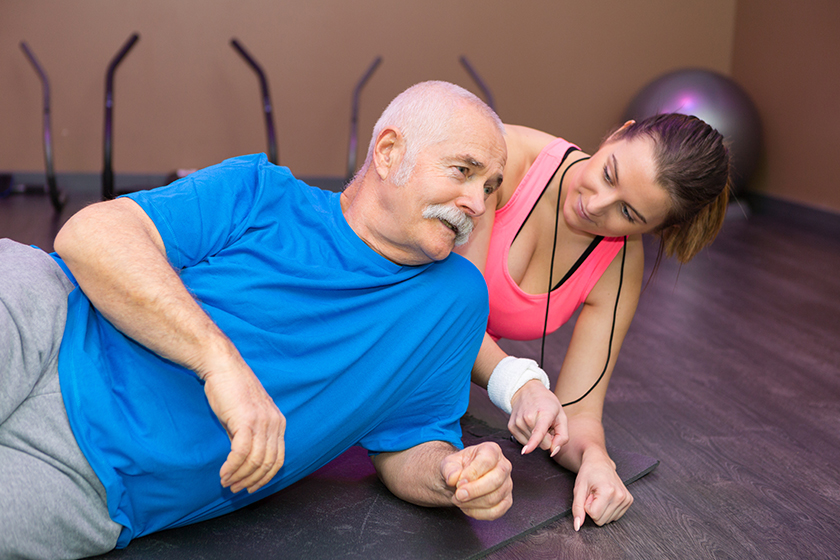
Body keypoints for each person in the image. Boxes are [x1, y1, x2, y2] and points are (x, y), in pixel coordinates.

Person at [0, 81, 513, 559]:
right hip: (48, 317)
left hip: (100, 478)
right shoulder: (262, 191)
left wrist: (452, 475)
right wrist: (220, 363)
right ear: (388, 153)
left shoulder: (455, 301)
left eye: (490, 187)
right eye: (462, 171)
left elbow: (412, 441)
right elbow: (91, 233)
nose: (477, 203)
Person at [455, 114, 730, 531]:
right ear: (618, 131)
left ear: (657, 228)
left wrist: (595, 459)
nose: (595, 204)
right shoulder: (504, 159)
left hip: (430, 371)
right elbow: (448, 316)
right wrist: (520, 385)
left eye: (628, 213)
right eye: (608, 173)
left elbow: (578, 410)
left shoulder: (619, 264)